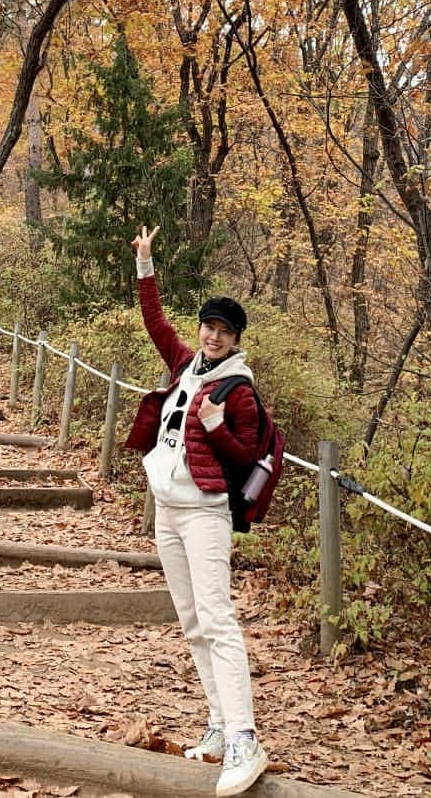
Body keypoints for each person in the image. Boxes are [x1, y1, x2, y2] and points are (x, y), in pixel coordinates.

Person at [125, 223, 269, 798]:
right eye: (209, 326)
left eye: (223, 331)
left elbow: (247, 458)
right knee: (190, 622)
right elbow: (155, 322)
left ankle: (244, 738)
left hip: (206, 514)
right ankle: (217, 725)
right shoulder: (186, 364)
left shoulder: (240, 392)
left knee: (218, 621)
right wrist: (146, 263)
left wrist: (215, 427)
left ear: (235, 340)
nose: (212, 337)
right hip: (166, 508)